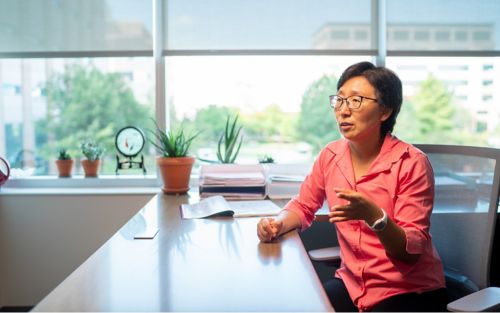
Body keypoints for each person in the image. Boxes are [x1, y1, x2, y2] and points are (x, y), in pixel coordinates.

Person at [257, 61, 447, 312]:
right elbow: (304, 205)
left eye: (356, 101)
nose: (343, 111)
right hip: (353, 284)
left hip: (408, 290)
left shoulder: (412, 163)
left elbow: (410, 251)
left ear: (385, 111)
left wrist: (375, 217)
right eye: (340, 100)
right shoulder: (331, 155)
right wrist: (278, 223)